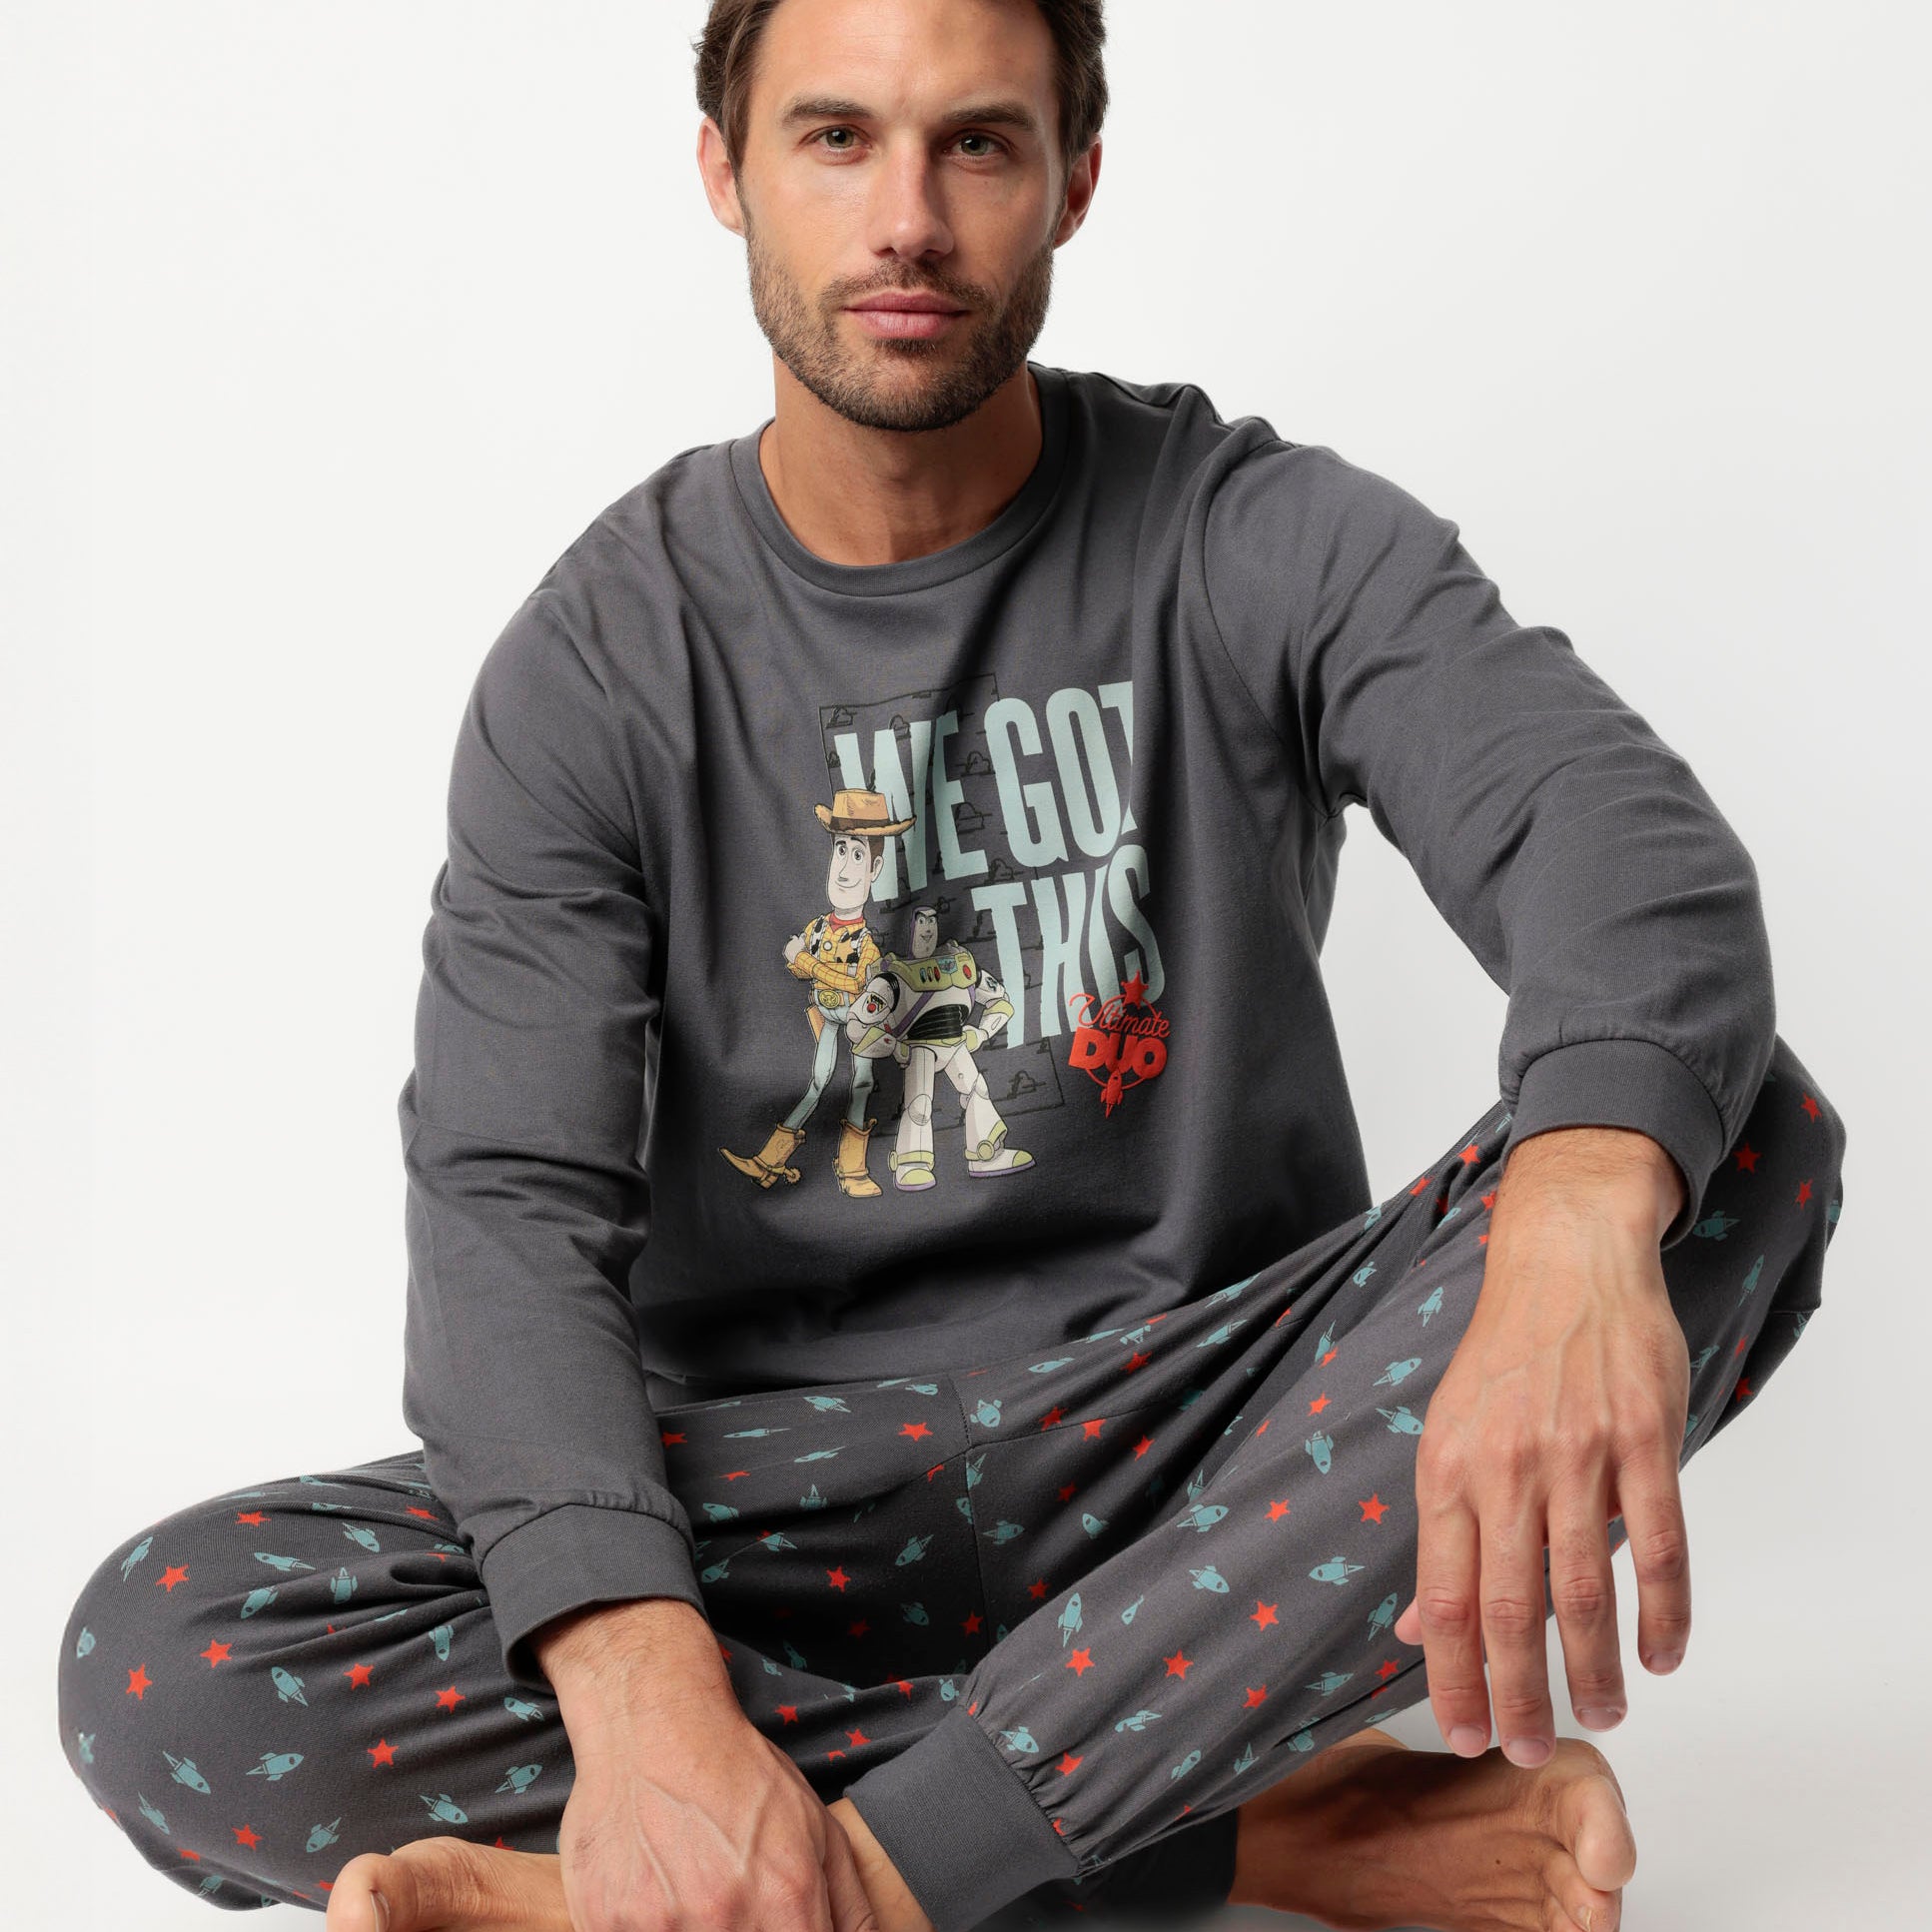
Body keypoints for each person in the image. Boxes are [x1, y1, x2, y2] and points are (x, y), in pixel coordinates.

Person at [56, 3, 1851, 1931]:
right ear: (725, 169)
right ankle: (1245, 1823)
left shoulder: (1248, 532)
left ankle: (863, 1879)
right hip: (777, 1508)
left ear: (1074, 178)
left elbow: (1610, 843)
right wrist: (647, 1700)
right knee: (170, 1659)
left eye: (976, 143)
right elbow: (507, 1207)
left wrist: (1575, 1214)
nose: (904, 217)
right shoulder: (597, 661)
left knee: (1729, 1140)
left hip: (1206, 1456)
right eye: (836, 138)